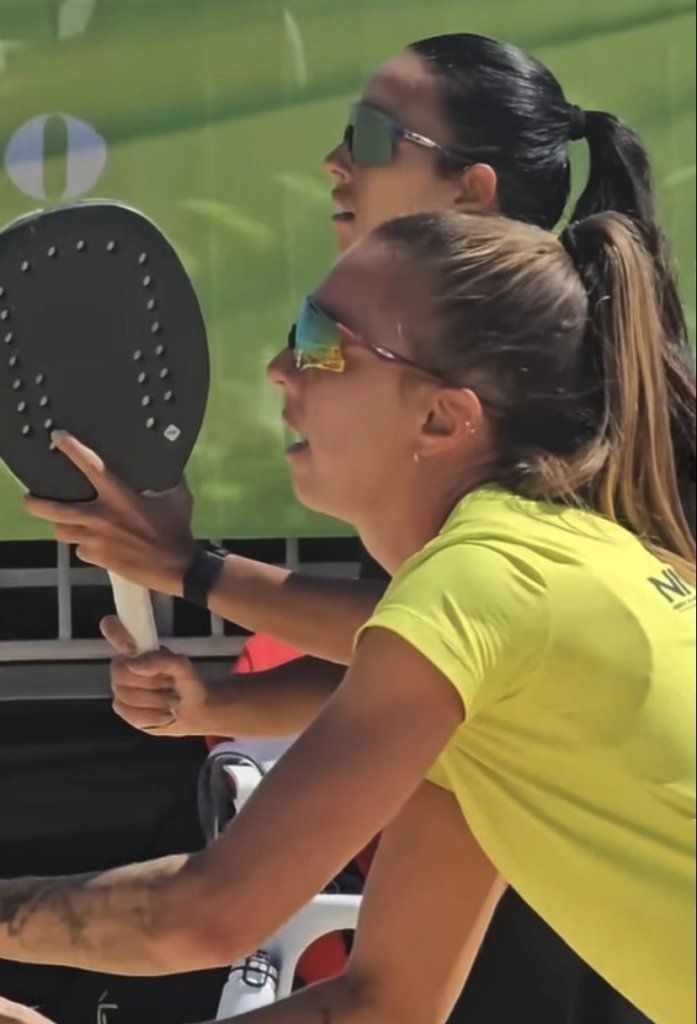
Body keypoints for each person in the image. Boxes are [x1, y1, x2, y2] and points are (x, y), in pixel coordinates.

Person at [13, 32, 695, 1024]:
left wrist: (196, 574)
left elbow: (202, 916)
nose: (280, 371)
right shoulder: (512, 609)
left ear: (445, 415)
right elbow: (382, 1003)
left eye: (324, 345)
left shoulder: (491, 577)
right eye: (295, 332)